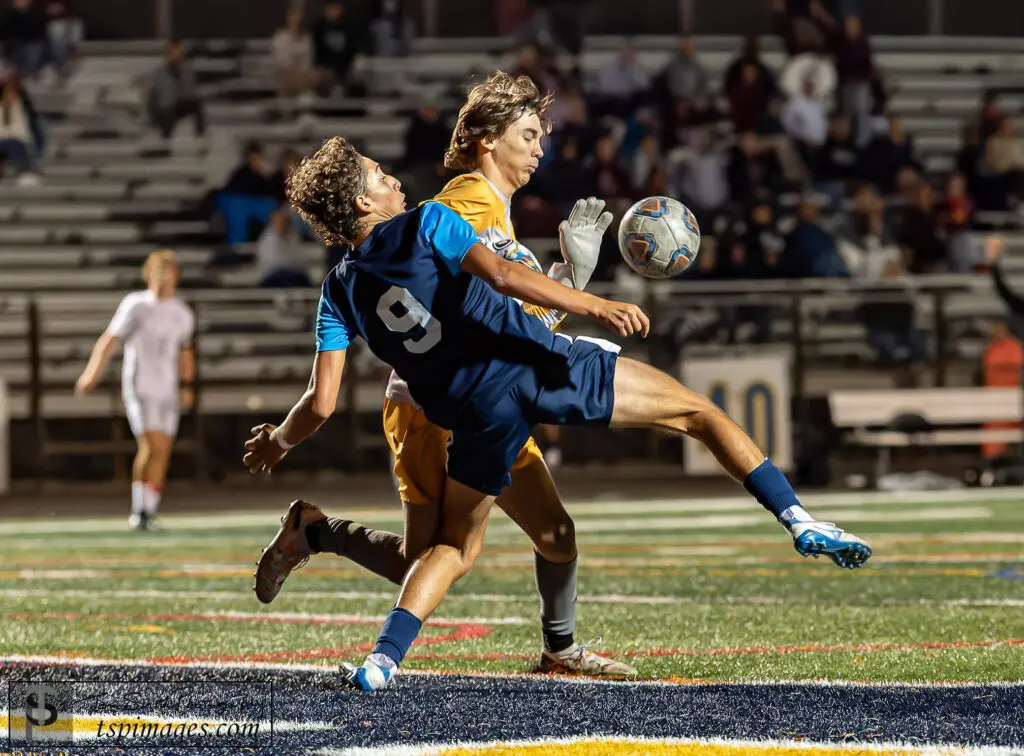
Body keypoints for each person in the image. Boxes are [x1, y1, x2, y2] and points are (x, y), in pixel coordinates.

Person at [243, 137, 872, 691]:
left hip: (475, 412)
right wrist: (592, 301)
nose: (396, 181)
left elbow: (321, 403)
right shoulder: (432, 218)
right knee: (697, 413)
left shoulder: (336, 290)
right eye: (381, 176)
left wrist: (276, 441)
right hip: (535, 363)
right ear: (360, 202)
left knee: (457, 551)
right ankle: (800, 520)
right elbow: (504, 277)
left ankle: (385, 659)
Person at [253, 72, 635, 679]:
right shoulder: (462, 205)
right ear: (490, 140)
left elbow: (501, 314)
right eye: (529, 134)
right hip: (437, 402)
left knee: (536, 537)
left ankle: (557, 649)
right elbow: (496, 310)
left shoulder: (455, 221)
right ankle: (343, 577)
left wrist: (565, 279)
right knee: (440, 555)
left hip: (480, 392)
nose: (540, 148)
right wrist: (576, 286)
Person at [75, 250, 195, 531]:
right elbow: (110, 340)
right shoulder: (136, 304)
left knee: (163, 450)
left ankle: (148, 511)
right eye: (157, 268)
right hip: (140, 386)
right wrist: (91, 373)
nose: (163, 274)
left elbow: (186, 353)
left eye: (168, 268)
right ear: (147, 273)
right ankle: (139, 510)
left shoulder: (182, 312)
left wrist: (186, 386)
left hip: (168, 389)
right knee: (151, 445)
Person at [146, 41, 205, 140]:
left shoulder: (186, 72)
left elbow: (189, 94)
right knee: (167, 117)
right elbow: (155, 98)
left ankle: (200, 135)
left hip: (175, 106)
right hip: (163, 109)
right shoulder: (160, 74)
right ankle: (164, 142)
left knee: (196, 104)